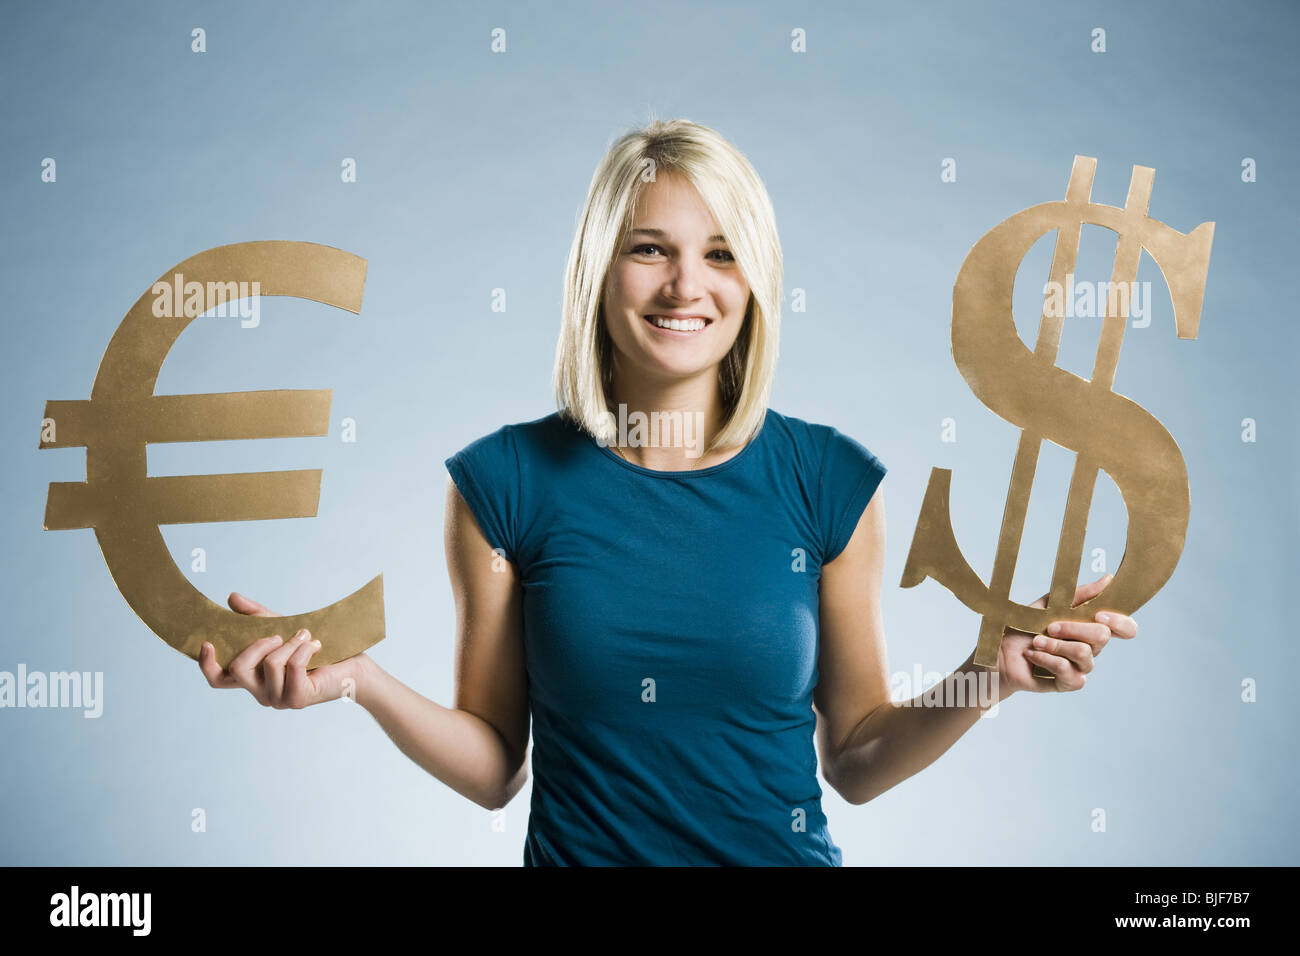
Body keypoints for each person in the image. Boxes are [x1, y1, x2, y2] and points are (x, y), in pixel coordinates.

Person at [198, 118, 1137, 865]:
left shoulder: (828, 480)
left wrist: (990, 676)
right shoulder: (505, 484)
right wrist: (356, 681)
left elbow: (853, 757)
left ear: (756, 282)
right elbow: (494, 767)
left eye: (723, 254)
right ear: (599, 274)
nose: (687, 284)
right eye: (651, 249)